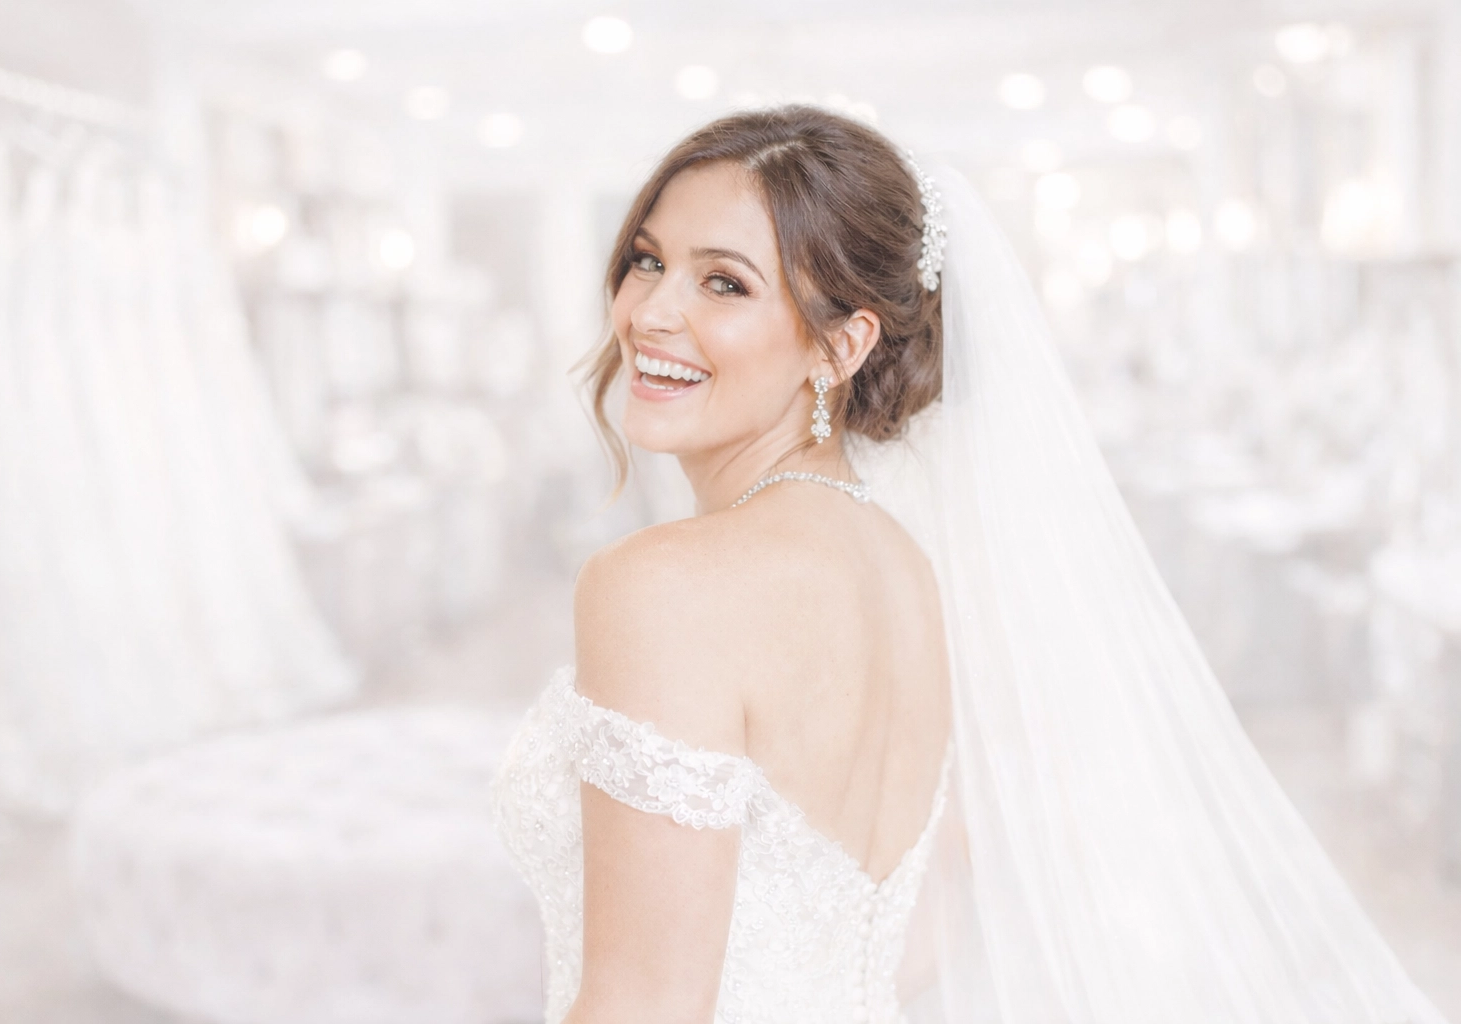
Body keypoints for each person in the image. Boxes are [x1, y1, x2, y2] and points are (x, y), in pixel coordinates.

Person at [492, 106, 1450, 1024]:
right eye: (647, 260)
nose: (650, 311)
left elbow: (643, 1010)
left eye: (725, 282)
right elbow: (924, 931)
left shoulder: (662, 587)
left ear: (842, 342)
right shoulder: (911, 566)